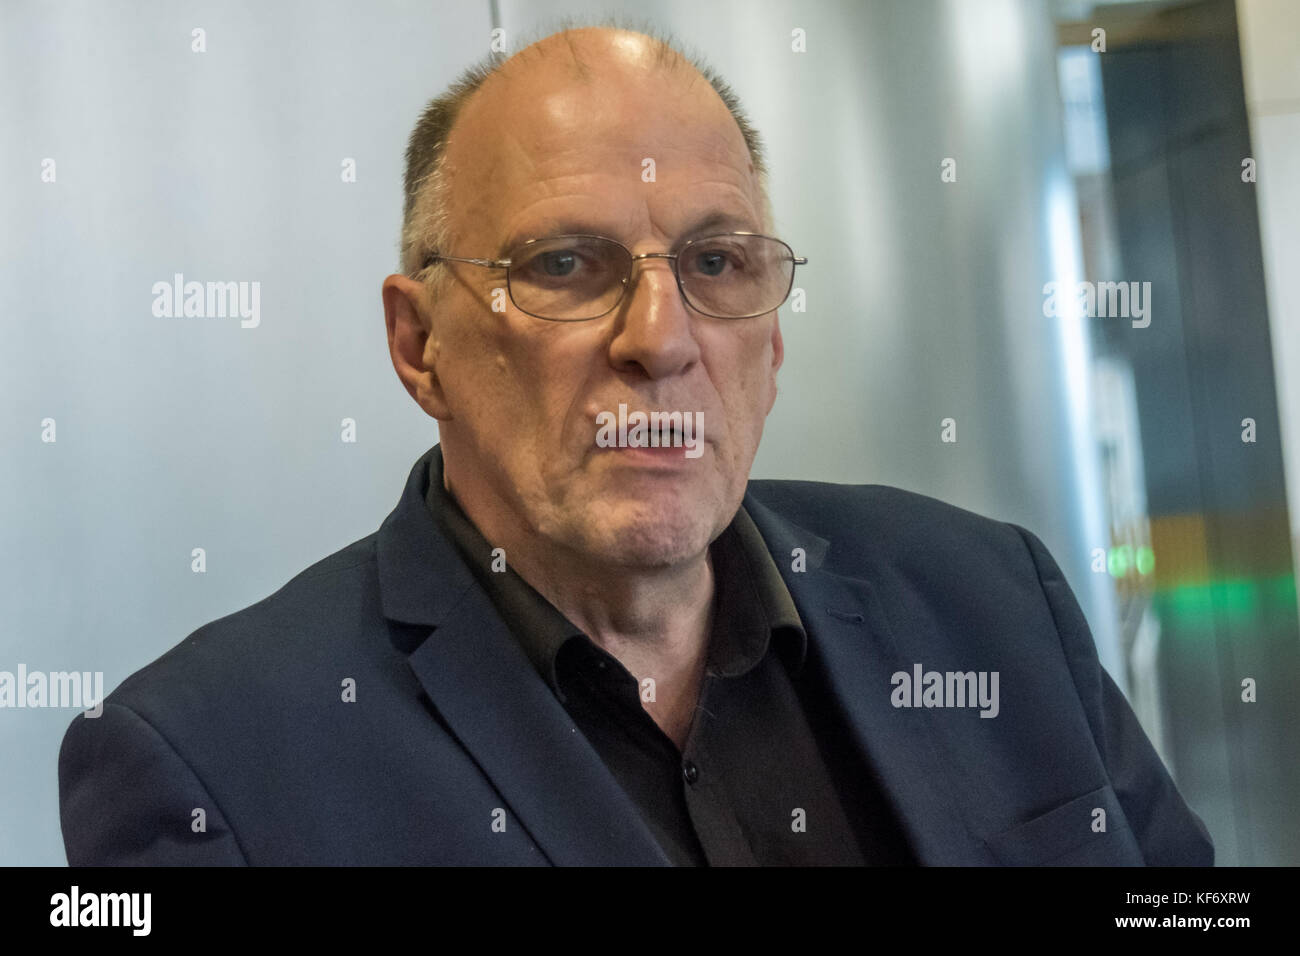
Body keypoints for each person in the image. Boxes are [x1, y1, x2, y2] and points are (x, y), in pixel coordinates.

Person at [58, 24, 1213, 866]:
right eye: (564, 265)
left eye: (716, 264)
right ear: (420, 347)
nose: (660, 340)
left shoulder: (990, 598)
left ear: (769, 332)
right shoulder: (216, 764)